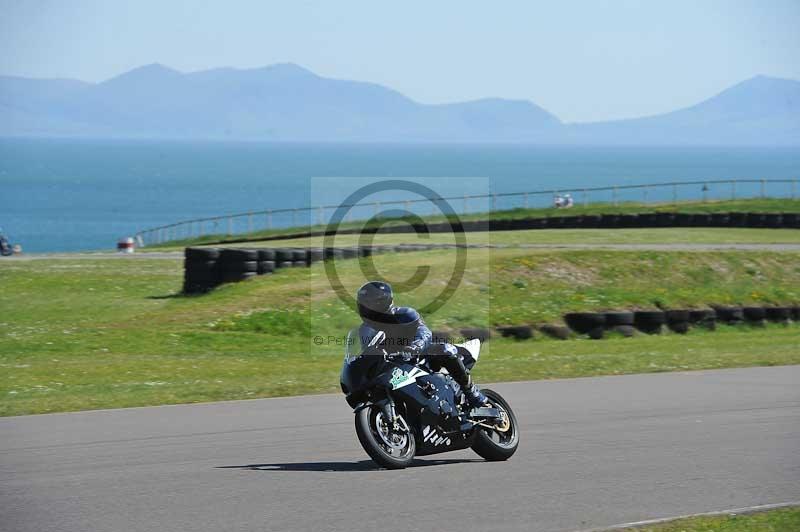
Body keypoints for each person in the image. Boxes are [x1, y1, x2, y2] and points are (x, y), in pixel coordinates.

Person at [356, 280, 488, 410]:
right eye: (364, 305)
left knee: (445, 350)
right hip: (396, 366)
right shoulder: (365, 329)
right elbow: (368, 351)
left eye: (369, 304)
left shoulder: (404, 314)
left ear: (382, 302)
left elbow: (424, 332)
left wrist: (416, 346)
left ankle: (472, 392)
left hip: (422, 355)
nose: (366, 308)